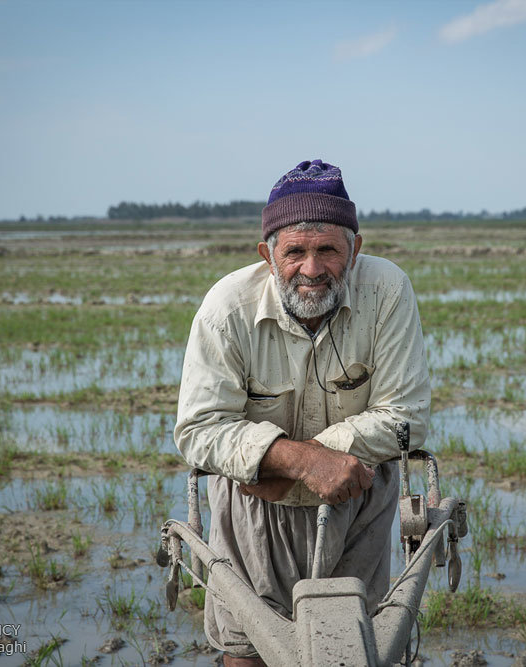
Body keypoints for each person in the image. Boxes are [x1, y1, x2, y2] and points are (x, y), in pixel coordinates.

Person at [174, 159, 430, 666]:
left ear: (354, 249)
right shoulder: (227, 308)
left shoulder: (387, 290)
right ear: (268, 255)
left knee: (356, 647)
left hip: (357, 501)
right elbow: (198, 429)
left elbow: (407, 418)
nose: (312, 270)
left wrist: (307, 460)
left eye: (328, 250)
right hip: (253, 507)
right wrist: (301, 462)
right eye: (295, 252)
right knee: (247, 650)